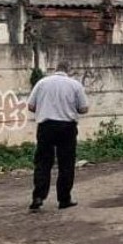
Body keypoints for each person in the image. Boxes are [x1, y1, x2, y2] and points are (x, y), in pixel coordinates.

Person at [26, 60, 90, 211]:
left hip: (45, 126)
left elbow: (31, 106)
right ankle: (64, 199)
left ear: (55, 69)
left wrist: (45, 109)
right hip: (67, 127)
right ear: (69, 70)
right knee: (66, 164)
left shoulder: (42, 83)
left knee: (42, 162)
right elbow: (83, 108)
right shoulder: (75, 85)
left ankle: (38, 197)